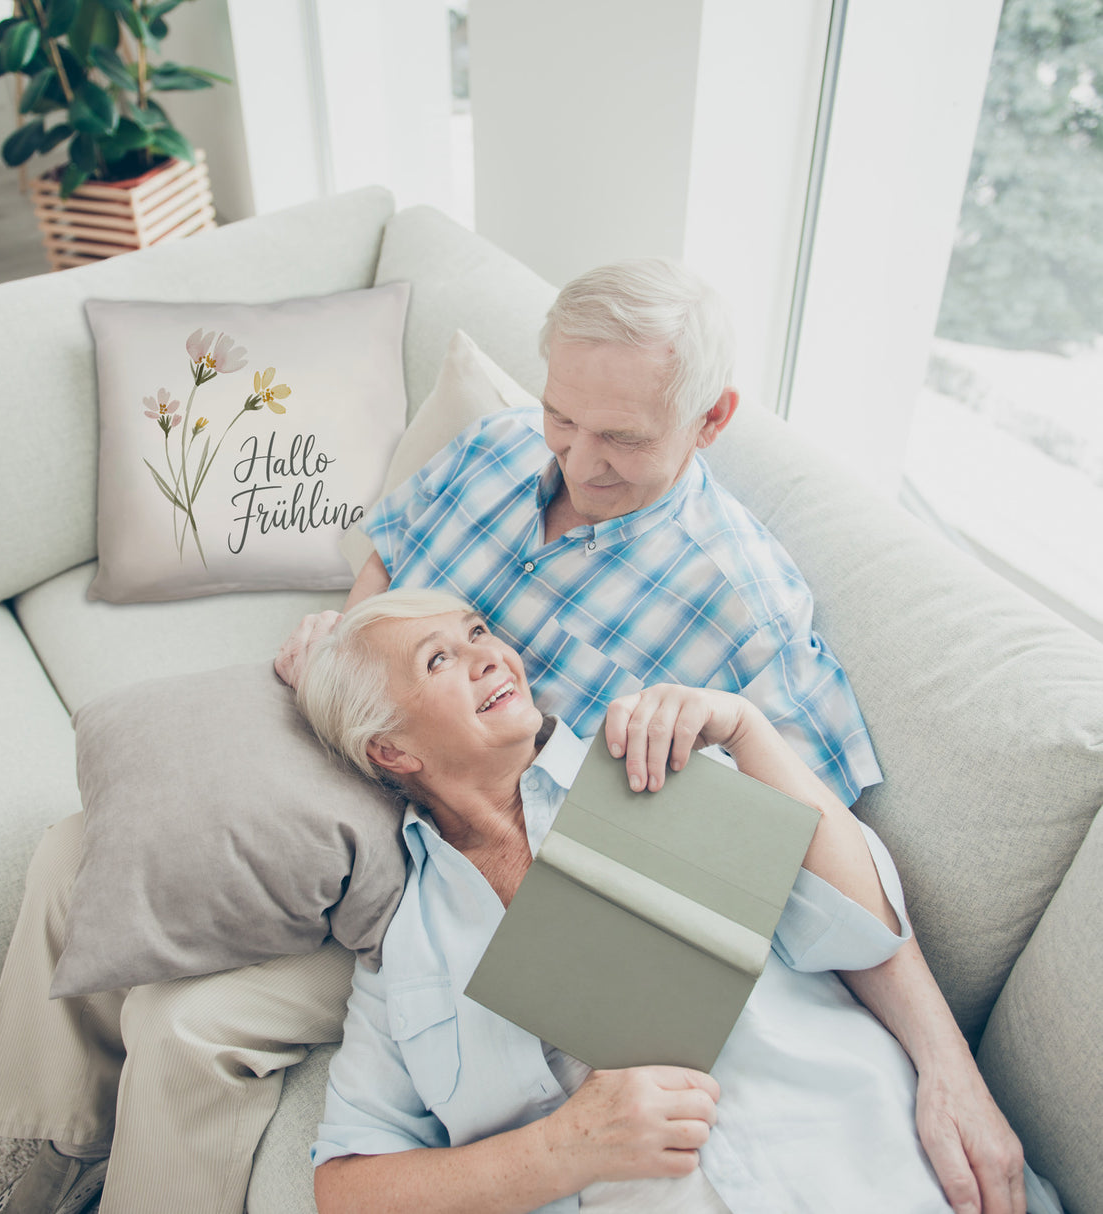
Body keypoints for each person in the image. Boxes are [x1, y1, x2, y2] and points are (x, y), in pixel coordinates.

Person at [277, 259, 1025, 1213]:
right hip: (382, 836)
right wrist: (351, 658)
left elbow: (833, 886)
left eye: (621, 438)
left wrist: (947, 1067)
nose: (578, 463)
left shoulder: (720, 659)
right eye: (562, 418)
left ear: (711, 420)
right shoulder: (498, 450)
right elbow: (390, 550)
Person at [297, 589, 1050, 1214]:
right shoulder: (406, 951)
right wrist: (562, 1150)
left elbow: (862, 929)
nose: (490, 655)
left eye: (477, 632)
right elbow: (347, 1188)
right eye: (440, 659)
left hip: (875, 1168)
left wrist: (748, 731)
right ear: (391, 750)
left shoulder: (651, 762)